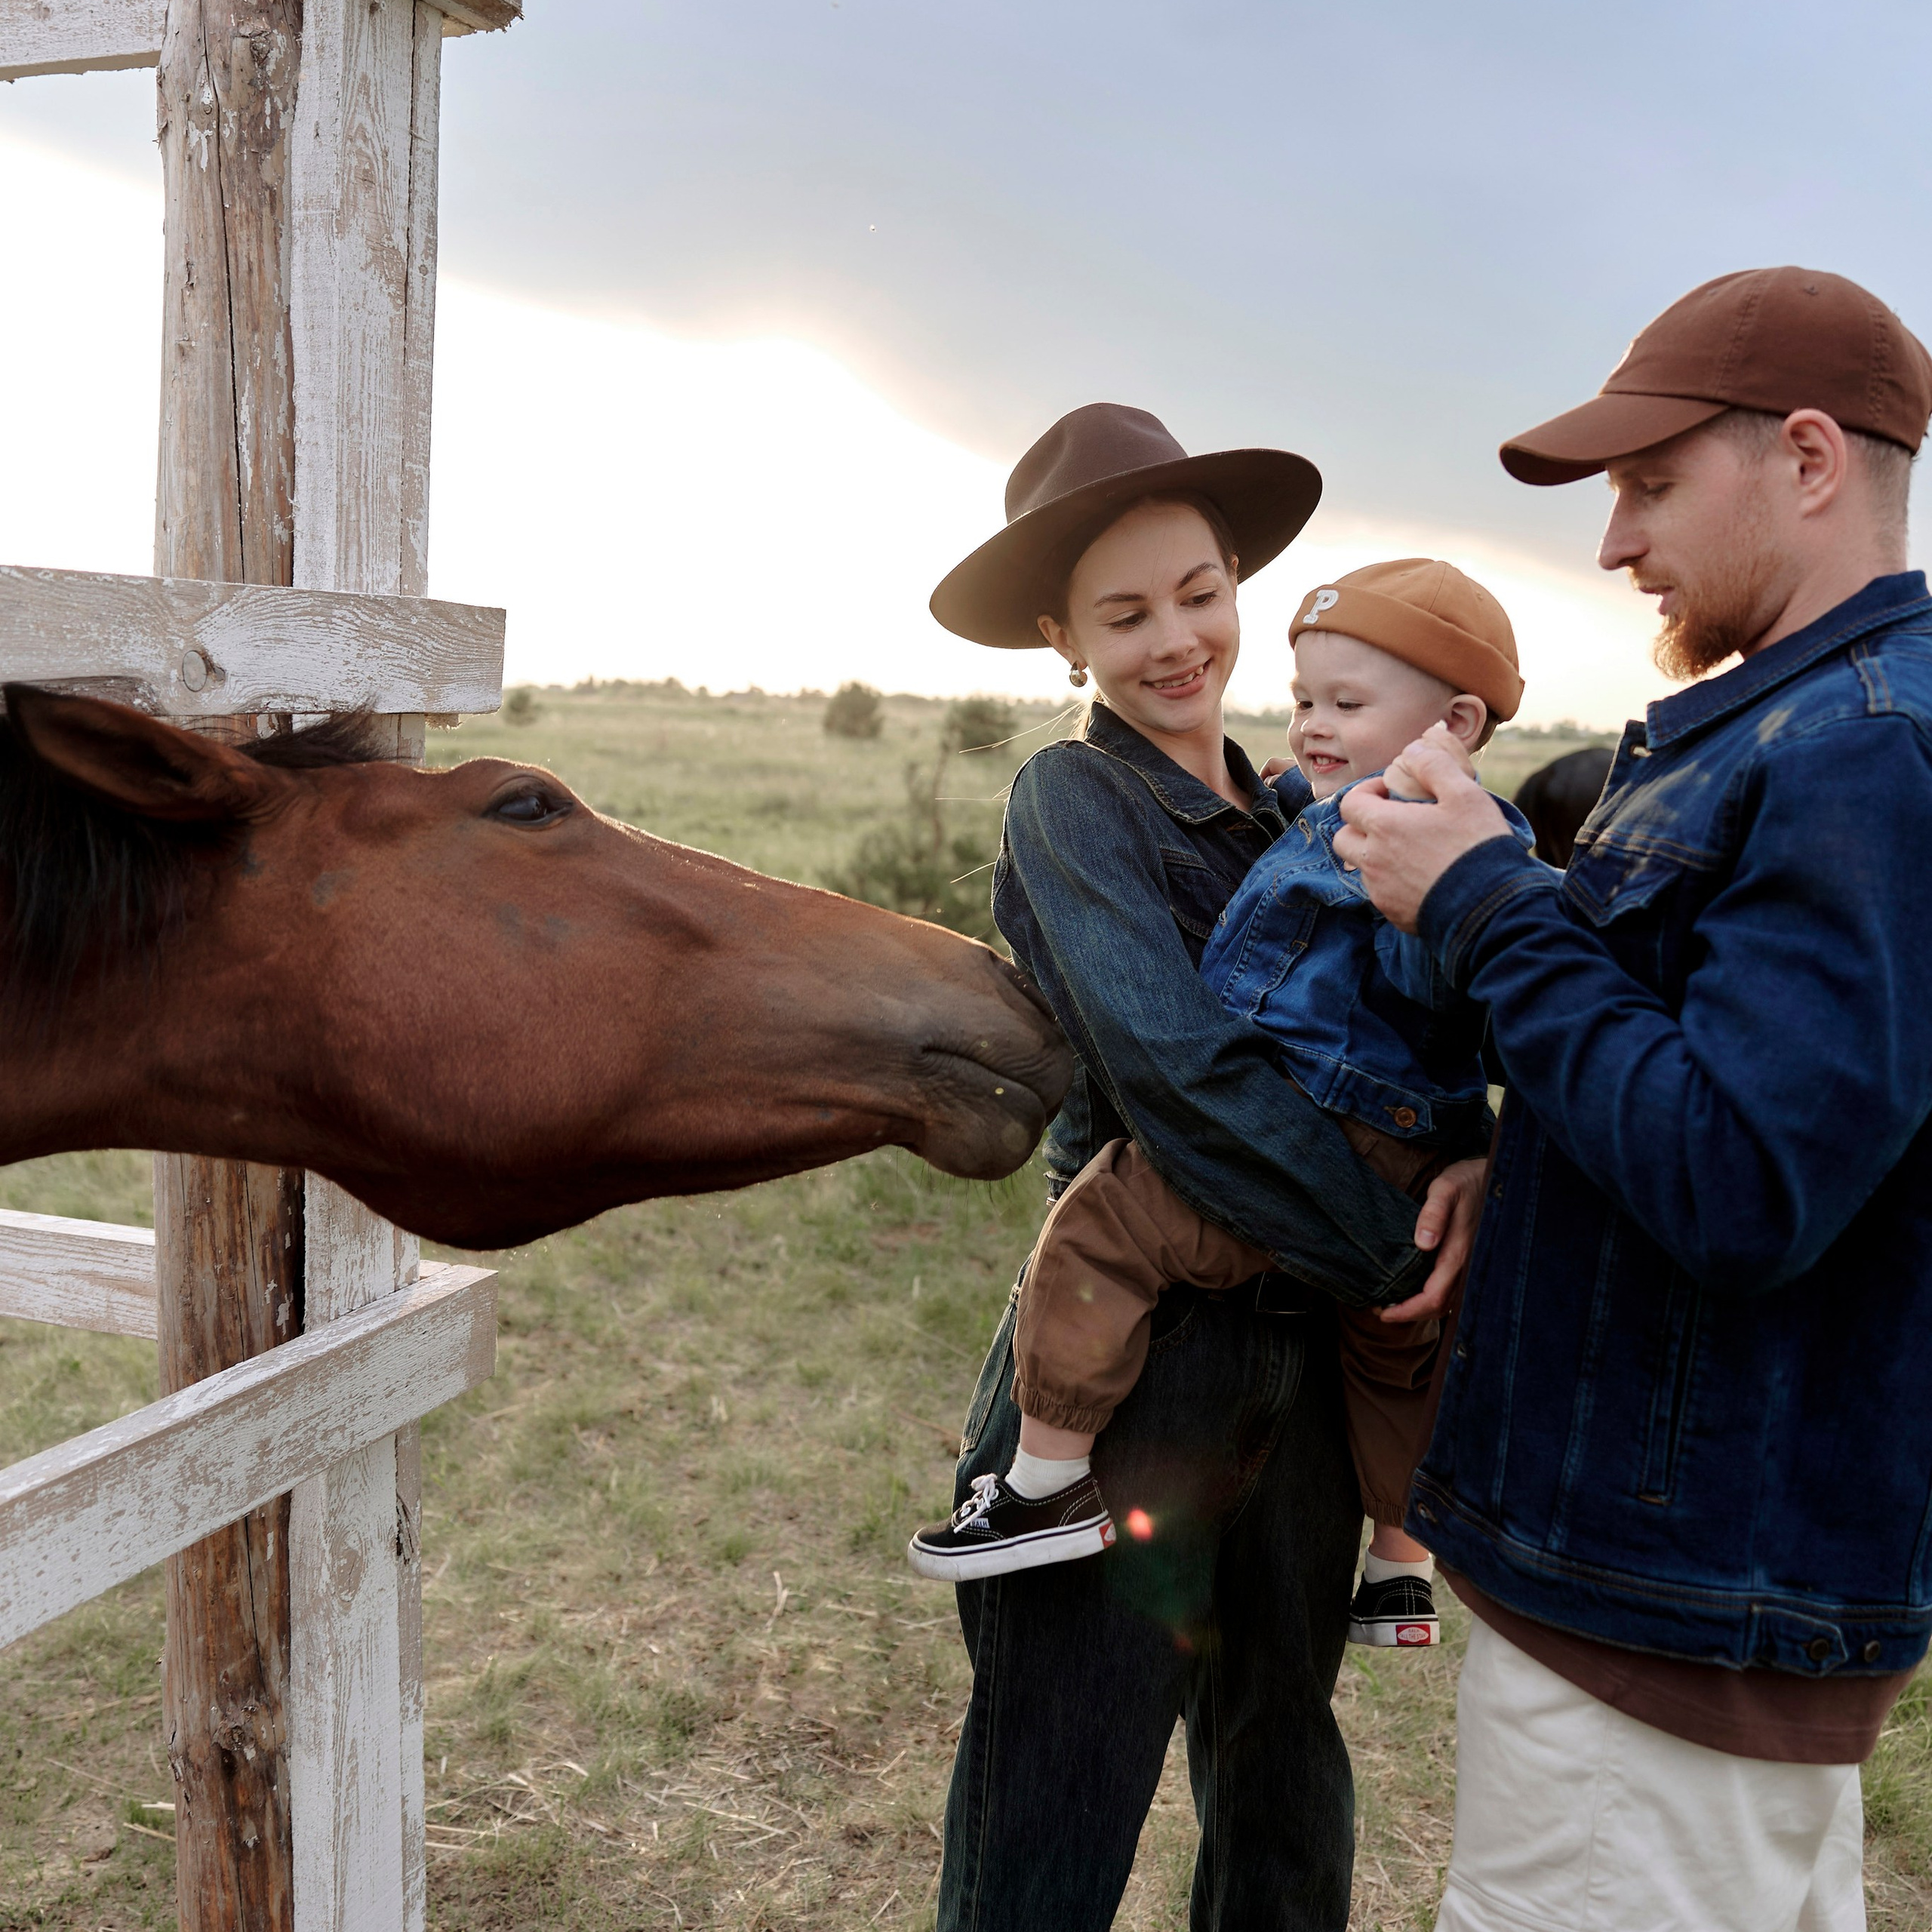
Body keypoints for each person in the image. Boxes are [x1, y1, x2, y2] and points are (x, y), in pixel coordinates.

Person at [1333, 266, 1932, 1930]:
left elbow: (1745, 1179)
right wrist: (1525, 1155)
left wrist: (1480, 897)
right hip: (1662, 1598)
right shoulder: (1790, 731)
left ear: (1808, 459)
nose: (1611, 542)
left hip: (1665, 1621)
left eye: (1649, 483)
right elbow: (1726, 1087)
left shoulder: (1857, 754)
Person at [924, 403, 1487, 1931]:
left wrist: (1470, 1160)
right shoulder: (1074, 801)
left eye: (1198, 592)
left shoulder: (1313, 808)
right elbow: (1181, 1078)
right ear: (1061, 635)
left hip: (1302, 1382)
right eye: (1123, 613)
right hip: (1133, 1372)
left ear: (1235, 579)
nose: (1175, 639)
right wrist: (1397, 1252)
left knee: (1280, 1785)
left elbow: (1415, 1034)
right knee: (1052, 1803)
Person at [909, 559, 1535, 1655]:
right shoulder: (1120, 795)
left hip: (1321, 1154)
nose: (1315, 726)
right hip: (1365, 1177)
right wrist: (1431, 1199)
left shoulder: (1420, 839)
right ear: (1068, 637)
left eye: (1346, 706)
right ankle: (1401, 1562)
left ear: (1458, 721)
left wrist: (1453, 1175)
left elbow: (1456, 1002)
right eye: (1307, 702)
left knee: (1103, 1221)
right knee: (1399, 1348)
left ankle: (1045, 1480)